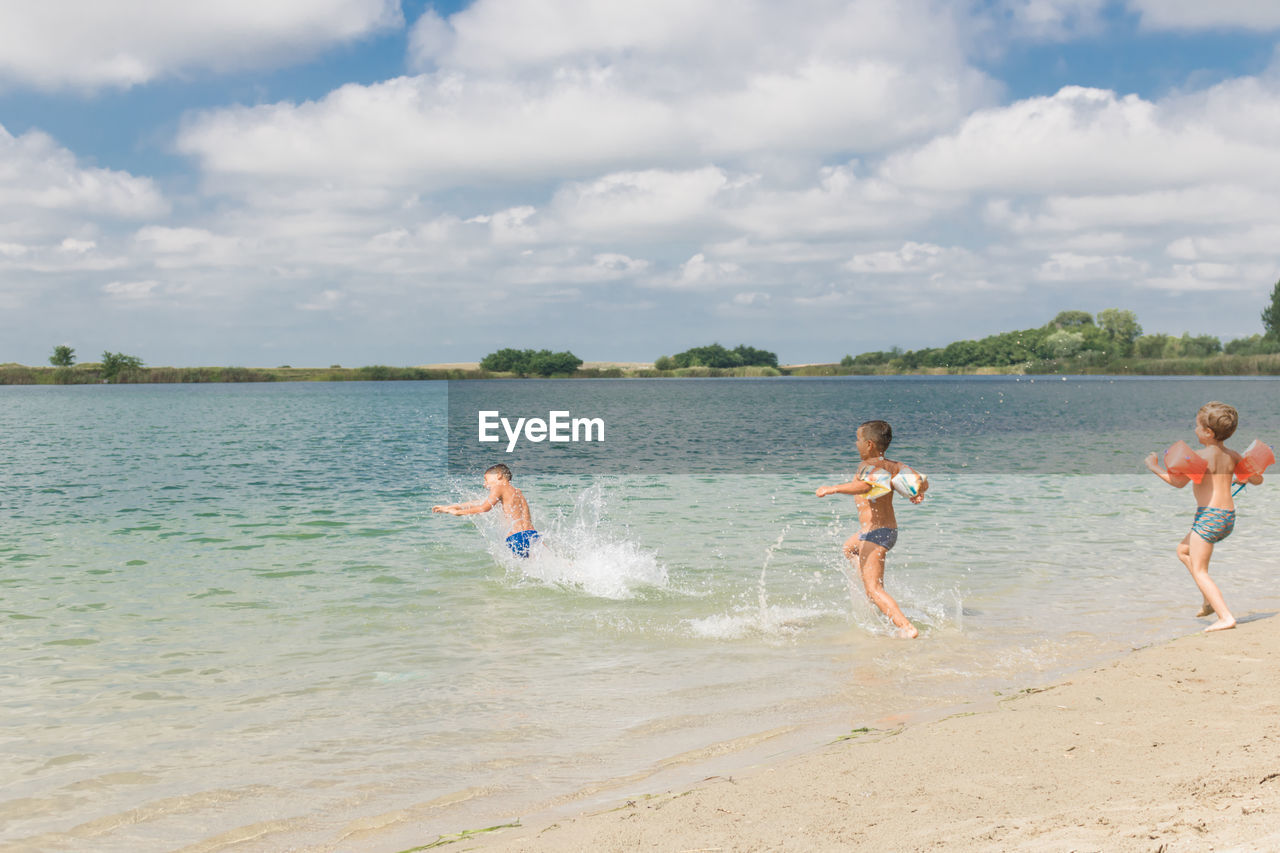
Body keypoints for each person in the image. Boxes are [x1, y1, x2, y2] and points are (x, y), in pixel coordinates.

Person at [1145, 401, 1263, 632]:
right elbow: (1257, 479)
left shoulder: (1199, 457)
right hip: (1227, 517)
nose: (1194, 430)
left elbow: (1178, 482)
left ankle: (1225, 617)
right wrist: (1243, 476)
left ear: (1208, 432)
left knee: (1200, 571)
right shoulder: (1233, 455)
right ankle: (1208, 600)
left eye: (1197, 426)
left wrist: (1154, 466)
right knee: (1183, 551)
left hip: (1209, 517)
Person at [816, 420, 928, 638]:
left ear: (869, 444)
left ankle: (906, 627)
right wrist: (916, 492)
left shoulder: (867, 468)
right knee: (849, 548)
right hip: (887, 531)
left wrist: (833, 488)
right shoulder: (893, 466)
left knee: (875, 590)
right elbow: (922, 482)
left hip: (875, 534)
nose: (855, 443)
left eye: (858, 440)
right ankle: (869, 587)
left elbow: (866, 486)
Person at [433, 463, 541, 557]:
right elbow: (480, 502)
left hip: (516, 537)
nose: (484, 484)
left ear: (499, 475)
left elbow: (484, 508)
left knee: (521, 572)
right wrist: (452, 507)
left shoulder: (499, 487)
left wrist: (458, 512)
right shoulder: (516, 492)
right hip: (532, 535)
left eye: (486, 479)